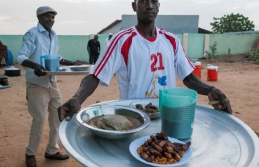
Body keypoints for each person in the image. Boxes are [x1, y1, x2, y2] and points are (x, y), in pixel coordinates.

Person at [58, 0, 232, 122]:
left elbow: (188, 76)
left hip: (167, 116)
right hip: (134, 118)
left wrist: (210, 89)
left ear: (158, 6)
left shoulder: (172, 40)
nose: (149, 5)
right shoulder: (121, 41)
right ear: (134, 6)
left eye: (154, 1)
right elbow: (95, 75)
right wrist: (77, 98)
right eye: (143, 1)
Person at [16, 6, 77, 167]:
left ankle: (51, 150)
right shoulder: (32, 33)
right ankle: (30, 153)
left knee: (58, 116)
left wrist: (69, 62)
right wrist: (35, 65)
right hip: (36, 84)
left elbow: (55, 56)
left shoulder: (53, 34)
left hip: (52, 82)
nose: (51, 20)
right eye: (48, 17)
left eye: (53, 17)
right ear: (39, 17)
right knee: (39, 119)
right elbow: (21, 57)